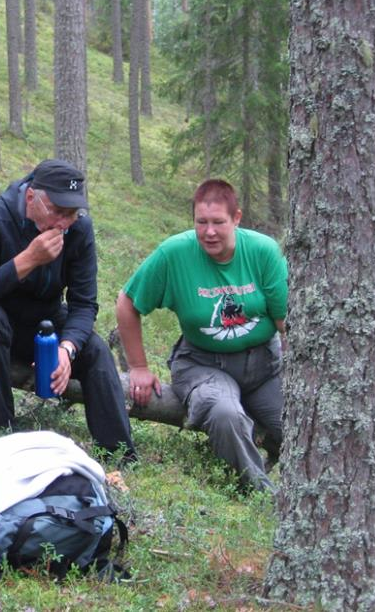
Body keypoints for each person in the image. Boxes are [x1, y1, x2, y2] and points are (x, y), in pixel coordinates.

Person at [0, 159, 135, 459]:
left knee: (94, 348)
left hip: (45, 323)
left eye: (72, 213)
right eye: (58, 211)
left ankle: (118, 452)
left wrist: (67, 349)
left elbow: (84, 302)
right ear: (31, 198)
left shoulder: (79, 230)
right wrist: (27, 260)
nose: (64, 222)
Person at [116, 179, 286, 492]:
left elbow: (283, 319)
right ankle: (264, 496)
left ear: (236, 218)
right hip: (203, 364)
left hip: (264, 366)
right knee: (225, 413)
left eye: (218, 222)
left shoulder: (263, 252)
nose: (209, 232)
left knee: (296, 423)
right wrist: (138, 367)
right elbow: (127, 303)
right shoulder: (174, 254)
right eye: (201, 222)